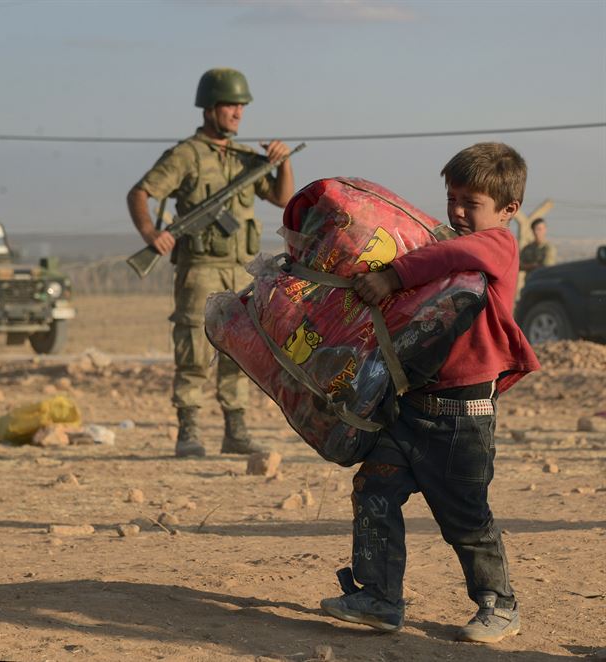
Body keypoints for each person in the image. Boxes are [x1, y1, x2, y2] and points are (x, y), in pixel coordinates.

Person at [320, 142, 541, 643]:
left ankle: (499, 604)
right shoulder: (442, 244)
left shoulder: (498, 245)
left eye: (472, 203)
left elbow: (454, 252)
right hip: (411, 407)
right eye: (453, 198)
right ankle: (379, 598)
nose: (459, 212)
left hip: (462, 418)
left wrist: (395, 274)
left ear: (508, 211)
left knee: (464, 516)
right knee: (374, 488)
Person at [127, 68, 294, 458]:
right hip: (200, 267)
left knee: (241, 348)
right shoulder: (186, 155)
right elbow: (141, 192)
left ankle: (235, 431)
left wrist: (282, 162)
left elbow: (283, 198)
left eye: (241, 106)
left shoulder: (246, 159)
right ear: (209, 108)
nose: (238, 113)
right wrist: (152, 234)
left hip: (242, 268)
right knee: (193, 347)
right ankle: (189, 432)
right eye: (230, 105)